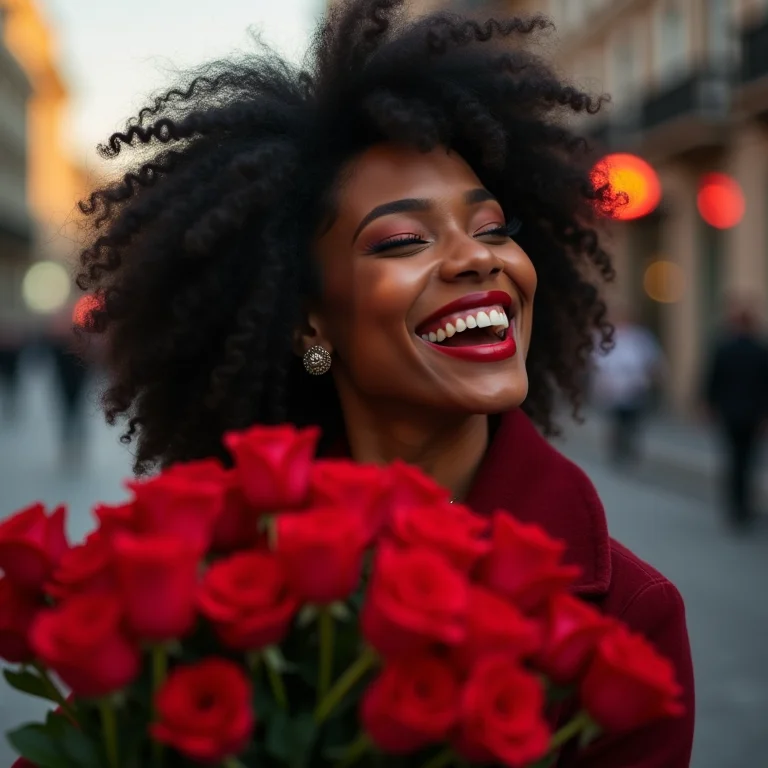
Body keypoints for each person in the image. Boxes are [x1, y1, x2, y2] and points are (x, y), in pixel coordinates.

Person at [74, 1, 694, 765]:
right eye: (403, 239)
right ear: (308, 322)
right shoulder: (190, 582)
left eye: (494, 227)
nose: (479, 259)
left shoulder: (630, 618)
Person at [704, 299, 768, 529]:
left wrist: (709, 406)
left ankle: (734, 507)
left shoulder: (724, 348)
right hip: (753, 414)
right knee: (749, 460)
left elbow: (712, 379)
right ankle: (744, 507)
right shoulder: (761, 350)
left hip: (730, 413)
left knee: (733, 460)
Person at [590, 308, 665, 465]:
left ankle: (629, 448)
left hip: (635, 387)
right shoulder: (606, 336)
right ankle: (617, 449)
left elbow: (652, 359)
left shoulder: (640, 337)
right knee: (617, 421)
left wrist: (654, 377)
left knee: (632, 421)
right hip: (613, 388)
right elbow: (597, 361)